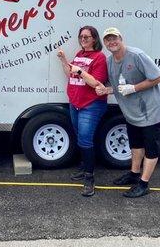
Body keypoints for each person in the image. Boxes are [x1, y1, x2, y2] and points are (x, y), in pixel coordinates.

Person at [95, 27, 160, 198]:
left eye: (114, 38)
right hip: (132, 113)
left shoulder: (136, 56)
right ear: (105, 43)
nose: (111, 42)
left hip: (151, 111)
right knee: (136, 145)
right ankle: (134, 174)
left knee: (151, 150)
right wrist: (107, 90)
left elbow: (158, 77)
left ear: (121, 39)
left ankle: (144, 184)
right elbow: (119, 87)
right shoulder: (109, 61)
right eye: (108, 40)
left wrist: (134, 87)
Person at [57, 26, 108, 197]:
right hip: (75, 103)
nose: (83, 39)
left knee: (85, 140)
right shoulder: (79, 54)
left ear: (94, 39)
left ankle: (89, 178)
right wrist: (64, 61)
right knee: (80, 137)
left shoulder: (99, 57)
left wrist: (79, 70)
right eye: (81, 36)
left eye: (87, 36)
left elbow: (96, 83)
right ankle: (84, 167)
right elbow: (70, 74)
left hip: (91, 104)